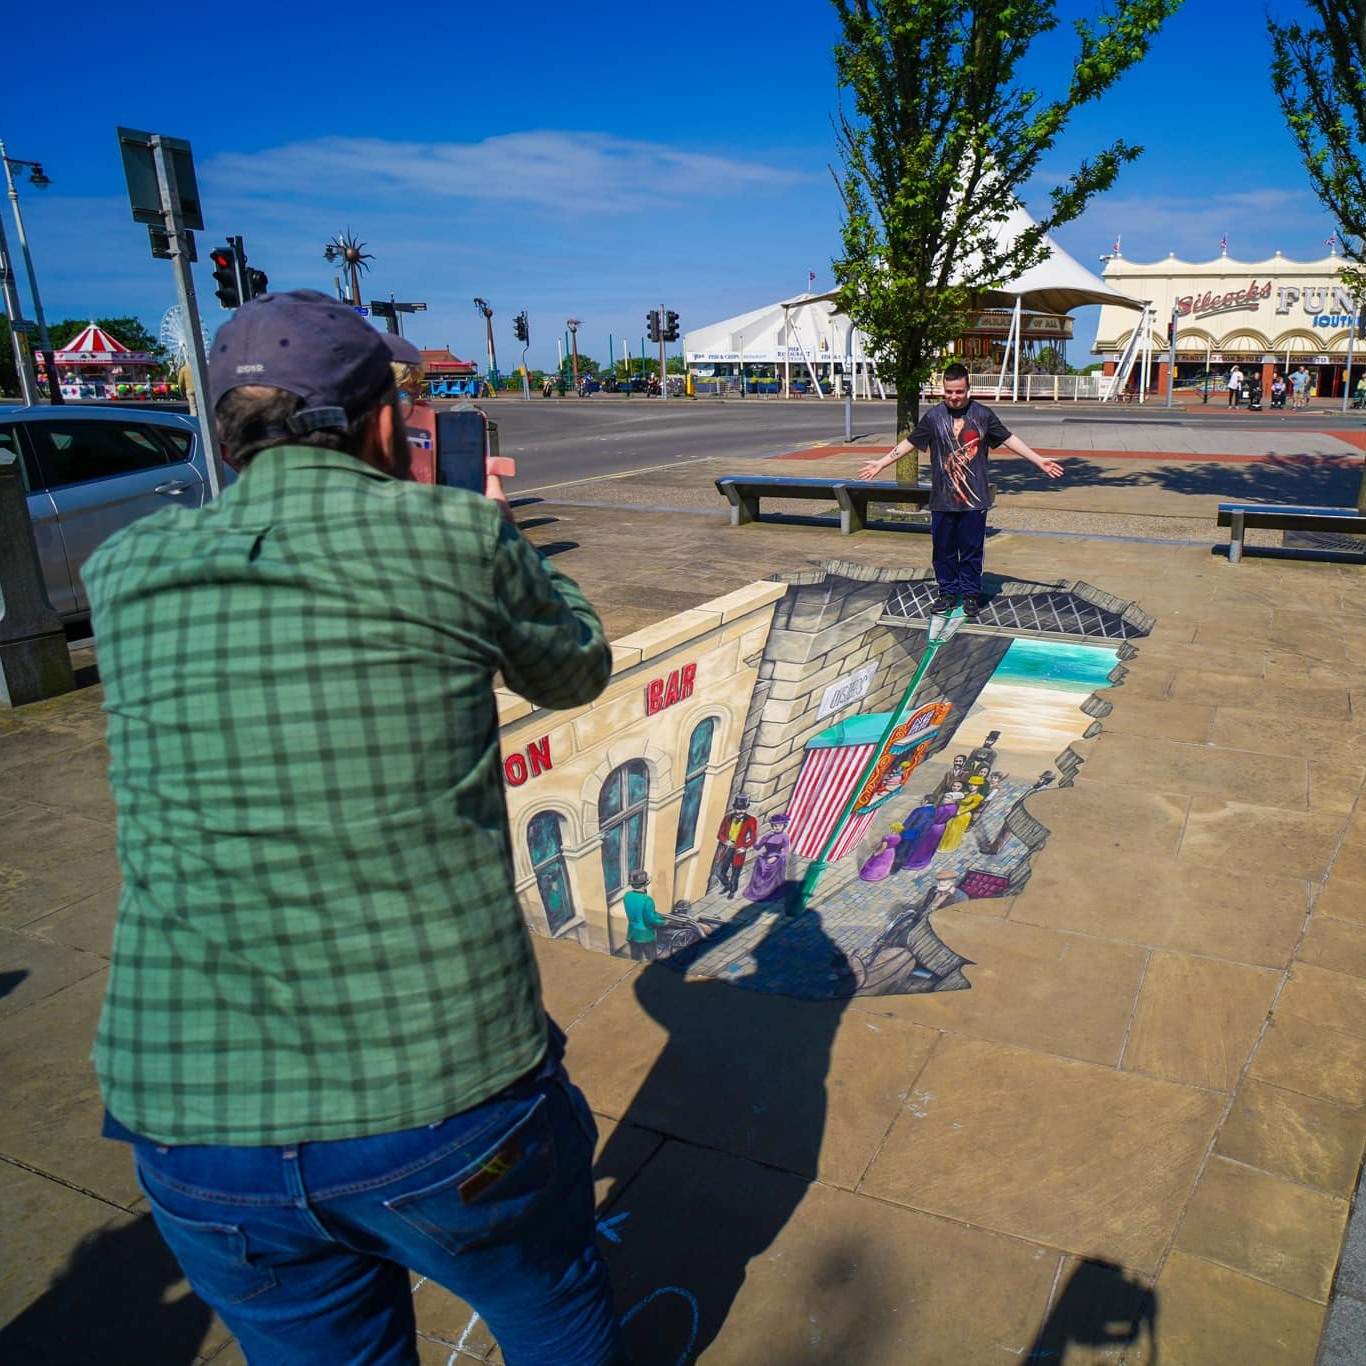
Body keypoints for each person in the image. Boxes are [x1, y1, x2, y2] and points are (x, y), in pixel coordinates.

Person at [81, 290, 623, 1365]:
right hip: (440, 1090)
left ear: (227, 435)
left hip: (191, 1115)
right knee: (551, 1305)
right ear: (384, 423)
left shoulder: (123, 570)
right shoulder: (452, 534)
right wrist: (496, 534)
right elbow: (576, 665)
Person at [859, 363, 1064, 617]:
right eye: (949, 392)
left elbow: (1010, 439)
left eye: (959, 391)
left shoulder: (983, 415)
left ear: (968, 389)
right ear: (943, 390)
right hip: (943, 499)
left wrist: (1038, 460)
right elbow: (910, 443)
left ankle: (969, 594)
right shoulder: (934, 417)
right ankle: (946, 592)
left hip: (974, 500)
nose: (954, 397)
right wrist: (881, 463)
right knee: (943, 550)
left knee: (971, 551)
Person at [711, 793, 758, 898]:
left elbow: (753, 838)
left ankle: (732, 891)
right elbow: (720, 834)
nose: (740, 812)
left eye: (743, 809)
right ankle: (727, 885)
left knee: (735, 874)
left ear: (746, 809)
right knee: (719, 871)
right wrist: (725, 841)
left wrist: (744, 847)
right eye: (738, 809)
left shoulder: (751, 820)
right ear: (734, 808)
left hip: (738, 851)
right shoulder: (727, 818)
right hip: (727, 849)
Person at [623, 869, 668, 960]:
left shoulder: (627, 896)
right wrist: (664, 922)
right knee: (652, 961)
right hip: (646, 936)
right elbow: (651, 921)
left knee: (635, 960)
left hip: (632, 934)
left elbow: (638, 913)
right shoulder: (647, 900)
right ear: (645, 884)